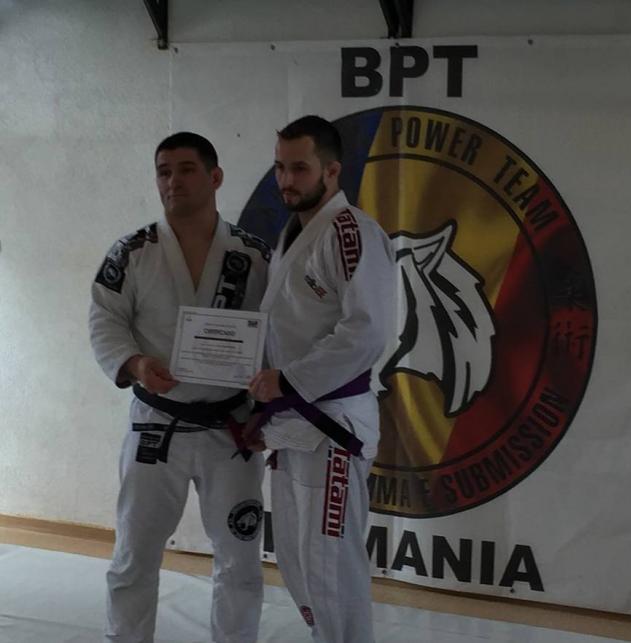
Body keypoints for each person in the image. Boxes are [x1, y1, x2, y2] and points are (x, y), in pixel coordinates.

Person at [89, 132, 269, 643]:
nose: (173, 181)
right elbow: (105, 318)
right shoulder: (132, 251)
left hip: (231, 427)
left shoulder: (255, 255)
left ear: (215, 177)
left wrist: (268, 410)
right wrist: (135, 363)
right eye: (164, 171)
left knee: (240, 559)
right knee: (134, 554)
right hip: (156, 423)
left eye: (186, 169)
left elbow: (278, 333)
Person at [247, 115, 396, 643]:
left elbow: (367, 331)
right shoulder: (295, 233)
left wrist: (287, 382)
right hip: (294, 424)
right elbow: (289, 328)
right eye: (279, 168)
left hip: (332, 425)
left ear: (331, 171)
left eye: (299, 169)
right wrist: (268, 402)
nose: (286, 180)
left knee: (330, 565)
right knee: (297, 560)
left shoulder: (352, 231)